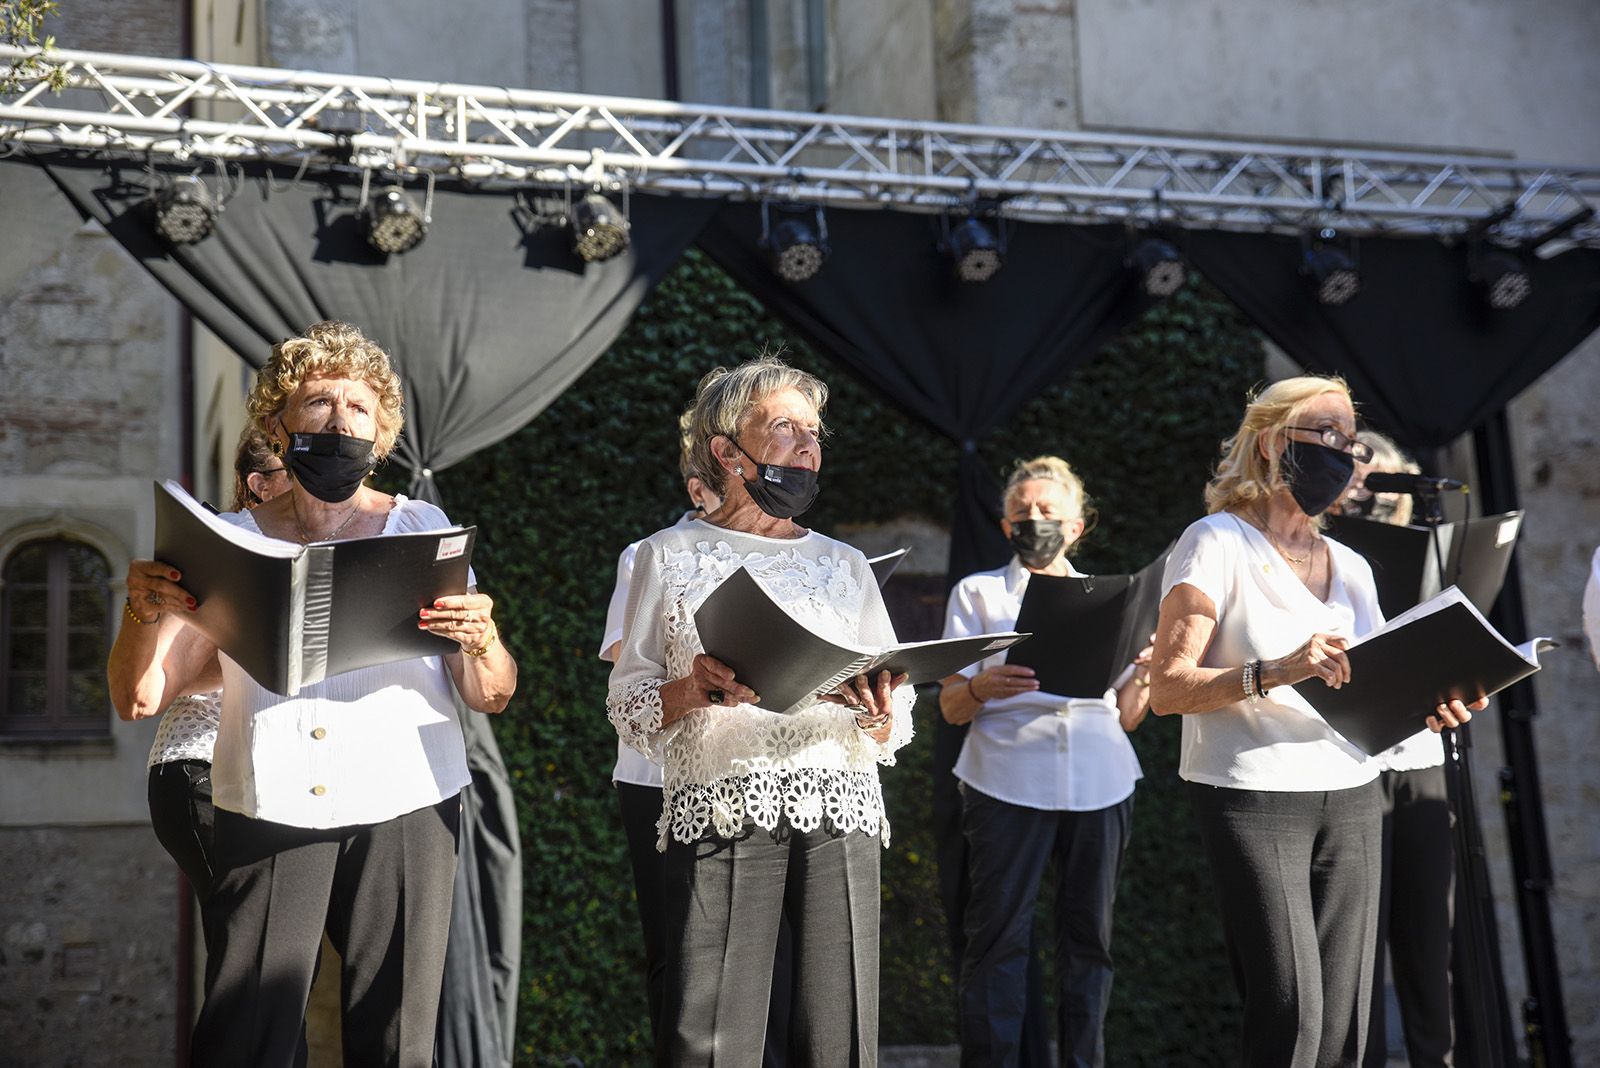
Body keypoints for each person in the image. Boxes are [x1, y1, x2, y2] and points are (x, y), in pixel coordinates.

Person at [107, 320, 518, 1068]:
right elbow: (139, 697)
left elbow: (490, 694)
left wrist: (483, 640)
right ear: (278, 424)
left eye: (359, 408)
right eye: (320, 402)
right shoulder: (226, 540)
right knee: (245, 1036)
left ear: (381, 436)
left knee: (398, 1040)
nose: (339, 421)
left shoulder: (421, 527)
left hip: (408, 798)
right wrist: (142, 610)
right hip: (268, 798)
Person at [1147, 375, 1481, 1068]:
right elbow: (1168, 689)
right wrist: (1275, 670)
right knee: (1292, 1013)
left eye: (1350, 441)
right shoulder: (1214, 542)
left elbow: (1378, 691)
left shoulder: (1353, 566)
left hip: (1354, 791)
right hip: (1254, 795)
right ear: (1273, 443)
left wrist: (1434, 705)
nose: (1345, 454)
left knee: (1347, 1023)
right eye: (1326, 435)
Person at [607, 354, 914, 1067]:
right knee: (711, 1033)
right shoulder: (666, 555)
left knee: (838, 1028)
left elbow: (896, 708)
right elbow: (628, 701)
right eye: (784, 428)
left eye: (813, 432)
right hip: (720, 804)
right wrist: (692, 688)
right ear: (726, 451)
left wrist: (878, 710)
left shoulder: (845, 564)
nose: (807, 446)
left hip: (838, 801)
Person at [939, 455, 1149, 1068]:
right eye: (1021, 510)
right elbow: (950, 706)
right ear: (1006, 525)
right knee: (997, 939)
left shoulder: (1111, 599)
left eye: (1047, 510)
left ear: (1077, 526)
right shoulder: (977, 593)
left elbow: (1129, 714)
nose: (1034, 519)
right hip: (1005, 777)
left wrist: (1148, 667)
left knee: (1090, 943)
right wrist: (983, 686)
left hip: (1101, 778)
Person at [1340, 431, 1457, 1068]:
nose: (1368, 493)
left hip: (1422, 760)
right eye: (1355, 479)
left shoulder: (1430, 555)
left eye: (1379, 480)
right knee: (1357, 945)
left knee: (1428, 938)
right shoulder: (1322, 558)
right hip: (1351, 764)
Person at [142, 426, 290, 913]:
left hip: (262, 775)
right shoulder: (227, 545)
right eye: (294, 472)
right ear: (259, 484)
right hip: (203, 766)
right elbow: (177, 672)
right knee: (251, 934)